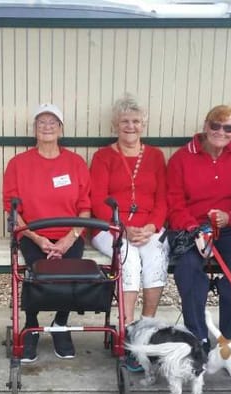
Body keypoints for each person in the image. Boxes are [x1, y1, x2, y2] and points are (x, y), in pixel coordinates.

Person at [166, 104, 231, 351]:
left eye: (228, 127)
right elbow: (174, 202)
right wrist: (193, 228)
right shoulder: (182, 157)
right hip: (192, 228)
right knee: (187, 268)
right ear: (205, 126)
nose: (221, 131)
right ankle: (198, 338)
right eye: (215, 126)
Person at [2, 103, 92, 363]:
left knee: (68, 272)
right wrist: (37, 237)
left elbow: (85, 207)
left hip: (69, 233)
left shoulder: (75, 163)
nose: (47, 126)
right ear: (34, 129)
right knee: (36, 273)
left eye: (53, 122)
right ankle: (30, 326)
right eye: (41, 122)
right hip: (32, 234)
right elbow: (11, 207)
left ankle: (60, 325)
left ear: (61, 129)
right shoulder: (18, 164)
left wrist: (70, 237)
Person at [90, 94, 168, 326]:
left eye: (136, 121)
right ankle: (127, 326)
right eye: (125, 121)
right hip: (110, 227)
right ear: (115, 124)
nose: (130, 126)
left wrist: (151, 227)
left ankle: (147, 325)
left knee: (157, 255)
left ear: (143, 124)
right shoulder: (103, 156)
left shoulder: (155, 156)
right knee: (129, 258)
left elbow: (162, 199)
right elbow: (97, 202)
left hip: (148, 227)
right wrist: (123, 229)